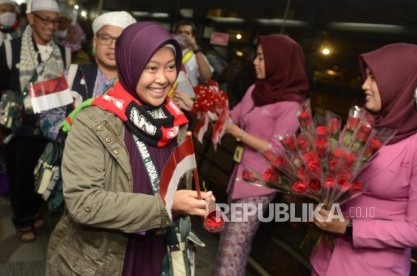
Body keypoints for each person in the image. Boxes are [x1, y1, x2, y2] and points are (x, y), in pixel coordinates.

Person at [46, 21, 214, 275]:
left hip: (157, 252)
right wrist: (167, 206)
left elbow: (174, 186)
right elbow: (83, 202)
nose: (163, 78)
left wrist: (192, 200)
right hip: (106, 257)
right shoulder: (94, 122)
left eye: (170, 67)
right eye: (151, 68)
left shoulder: (175, 122)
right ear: (131, 66)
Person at [310, 43, 417, 275]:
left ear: (401, 82)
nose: (364, 85)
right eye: (366, 77)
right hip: (325, 259)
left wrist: (349, 228)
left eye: (373, 78)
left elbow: (414, 230)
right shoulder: (364, 126)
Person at [212, 34, 308, 276]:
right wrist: (199, 106)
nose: (255, 62)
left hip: (259, 186)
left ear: (280, 62)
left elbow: (277, 151)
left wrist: (237, 133)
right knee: (228, 245)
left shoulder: (291, 106)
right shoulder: (256, 90)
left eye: (263, 58)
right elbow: (232, 117)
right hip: (238, 179)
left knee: (233, 248)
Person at [0, 0, 69, 242]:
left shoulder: (64, 53)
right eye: (45, 20)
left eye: (56, 21)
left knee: (46, 176)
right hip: (20, 130)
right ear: (31, 18)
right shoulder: (12, 49)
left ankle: (33, 211)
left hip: (52, 132)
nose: (51, 26)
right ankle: (22, 220)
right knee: (20, 178)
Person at [39, 11, 136, 141]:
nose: (113, 46)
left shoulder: (137, 85)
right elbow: (45, 118)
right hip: (69, 156)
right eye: (106, 38)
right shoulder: (69, 73)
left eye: (121, 41)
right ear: (95, 42)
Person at [173, 19, 213, 87]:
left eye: (187, 33)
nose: (183, 35)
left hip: (186, 96)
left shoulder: (197, 55)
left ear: (193, 37)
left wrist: (195, 48)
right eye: (180, 32)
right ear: (175, 35)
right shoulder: (168, 52)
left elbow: (206, 77)